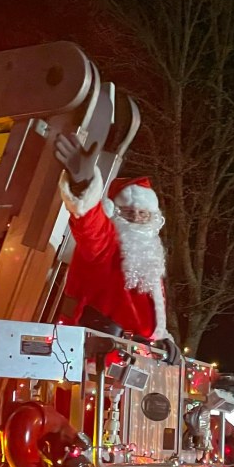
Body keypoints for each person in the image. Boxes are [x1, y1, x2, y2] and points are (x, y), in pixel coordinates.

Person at [54, 133, 170, 341]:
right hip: (94, 352)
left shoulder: (150, 257)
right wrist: (83, 183)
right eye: (128, 212)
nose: (136, 218)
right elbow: (92, 227)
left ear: (153, 219)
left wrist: (163, 341)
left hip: (134, 358)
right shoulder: (108, 246)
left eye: (143, 214)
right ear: (115, 212)